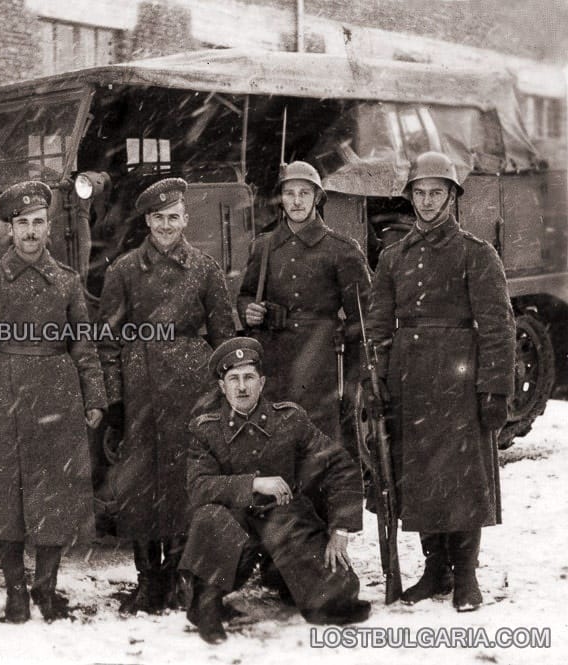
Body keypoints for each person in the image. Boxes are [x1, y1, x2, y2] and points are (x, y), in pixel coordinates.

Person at [365, 151, 515, 612]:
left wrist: (495, 389)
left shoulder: (476, 253)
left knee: (464, 477)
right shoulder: (393, 257)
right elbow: (378, 323)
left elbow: (497, 324)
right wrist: (378, 377)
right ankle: (435, 570)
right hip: (410, 380)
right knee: (419, 475)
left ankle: (466, 575)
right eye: (420, 193)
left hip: (460, 378)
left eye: (437, 192)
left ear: (452, 196)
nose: (427, 202)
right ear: (410, 198)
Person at [0, 181, 107, 623]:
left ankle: (46, 589)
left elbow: (83, 345)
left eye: (39, 223)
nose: (31, 232)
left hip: (58, 390)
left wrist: (94, 395)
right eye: (23, 224)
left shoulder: (67, 281)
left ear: (49, 228)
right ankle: (15, 595)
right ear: (10, 230)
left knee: (54, 496)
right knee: (5, 497)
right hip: (3, 393)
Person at [97, 177, 235, 614]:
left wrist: (221, 397)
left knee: (183, 485)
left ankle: (179, 577)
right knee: (138, 487)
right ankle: (146, 580)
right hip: (140, 392)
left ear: (186, 219)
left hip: (190, 393)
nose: (166, 226)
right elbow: (107, 342)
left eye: (174, 217)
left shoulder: (206, 269)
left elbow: (225, 340)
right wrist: (117, 401)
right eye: (158, 218)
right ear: (147, 222)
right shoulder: (122, 271)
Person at [180, 337, 370, 644]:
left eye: (249, 378)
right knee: (210, 516)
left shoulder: (290, 419)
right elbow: (199, 487)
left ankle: (285, 578)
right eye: (233, 379)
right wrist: (254, 484)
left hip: (283, 522)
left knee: (337, 598)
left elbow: (340, 465)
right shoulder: (206, 429)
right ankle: (206, 604)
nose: (242, 387)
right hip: (234, 526)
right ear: (222, 386)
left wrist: (342, 528)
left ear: (262, 382)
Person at [237, 161, 371, 448]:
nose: (296, 201)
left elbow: (364, 317)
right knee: (275, 438)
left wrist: (353, 377)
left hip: (322, 363)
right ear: (280, 198)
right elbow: (246, 294)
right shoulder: (264, 246)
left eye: (304, 193)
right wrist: (248, 310)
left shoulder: (341, 250)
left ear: (317, 198)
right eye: (289, 193)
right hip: (275, 360)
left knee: (321, 442)